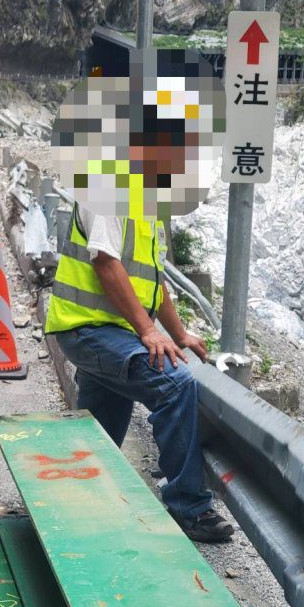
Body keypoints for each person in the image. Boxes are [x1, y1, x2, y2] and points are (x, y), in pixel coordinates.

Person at [44, 201, 233, 543]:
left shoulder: (145, 209)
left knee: (102, 422)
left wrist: (178, 334)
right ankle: (189, 507)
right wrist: (148, 331)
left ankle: (80, 494)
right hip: (87, 329)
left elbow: (153, 283)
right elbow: (105, 262)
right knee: (174, 383)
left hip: (113, 332)